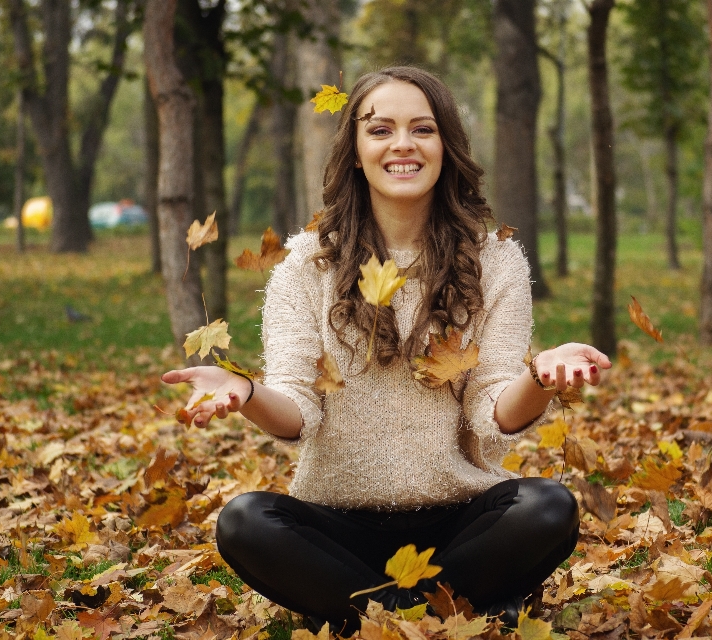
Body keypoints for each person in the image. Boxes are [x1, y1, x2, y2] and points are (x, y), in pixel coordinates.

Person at [162, 66, 612, 635]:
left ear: (445, 145)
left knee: (548, 508)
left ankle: (375, 619)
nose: (403, 144)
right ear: (354, 150)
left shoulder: (495, 262)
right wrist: (247, 392)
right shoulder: (305, 265)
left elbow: (495, 412)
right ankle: (439, 615)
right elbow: (298, 412)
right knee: (245, 521)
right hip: (339, 529)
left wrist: (540, 378)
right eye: (380, 130)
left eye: (422, 129)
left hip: (460, 524)